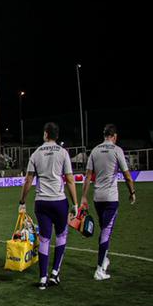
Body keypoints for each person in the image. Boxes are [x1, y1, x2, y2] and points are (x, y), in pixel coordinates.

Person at [17, 122, 79, 290]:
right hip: (59, 201)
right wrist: (75, 203)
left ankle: (43, 278)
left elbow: (28, 181)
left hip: (42, 202)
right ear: (57, 136)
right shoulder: (63, 153)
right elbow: (70, 180)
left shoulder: (36, 153)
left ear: (45, 134)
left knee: (44, 238)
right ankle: (55, 273)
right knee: (61, 236)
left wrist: (22, 201)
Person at [79, 124, 136, 281]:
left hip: (98, 199)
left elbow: (88, 176)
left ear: (104, 135)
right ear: (114, 136)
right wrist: (132, 193)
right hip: (111, 199)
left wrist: (84, 197)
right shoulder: (117, 150)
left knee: (105, 229)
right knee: (106, 231)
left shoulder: (95, 151)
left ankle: (103, 260)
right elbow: (127, 176)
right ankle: (99, 270)